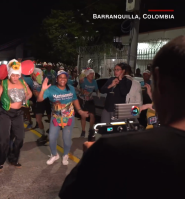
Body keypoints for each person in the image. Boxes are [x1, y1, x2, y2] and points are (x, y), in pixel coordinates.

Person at [59, 35, 185, 199]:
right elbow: (103, 91)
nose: (115, 72)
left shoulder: (115, 149)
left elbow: (72, 193)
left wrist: (92, 159)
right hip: (109, 110)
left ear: (158, 80)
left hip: (122, 114)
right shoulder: (113, 146)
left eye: (118, 69)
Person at [37, 70, 88, 165]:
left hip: (69, 117)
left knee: (67, 139)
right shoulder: (51, 89)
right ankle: (54, 155)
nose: (62, 79)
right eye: (60, 77)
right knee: (52, 137)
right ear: (57, 79)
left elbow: (75, 99)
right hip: (55, 117)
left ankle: (65, 155)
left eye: (64, 78)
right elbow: (39, 99)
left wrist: (80, 111)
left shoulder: (71, 88)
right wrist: (43, 89)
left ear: (67, 79)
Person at [0, 59, 32, 171]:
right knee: (4, 139)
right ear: (9, 74)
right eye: (13, 75)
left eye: (17, 75)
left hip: (18, 113)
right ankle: (1, 160)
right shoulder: (4, 83)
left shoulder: (23, 82)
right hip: (5, 112)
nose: (15, 78)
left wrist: (25, 98)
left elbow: (29, 93)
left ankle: (13, 158)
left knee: (20, 138)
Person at [77, 68, 99, 141]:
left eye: (93, 74)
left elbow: (96, 89)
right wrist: (84, 92)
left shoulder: (94, 81)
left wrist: (98, 93)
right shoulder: (84, 80)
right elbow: (80, 87)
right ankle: (83, 131)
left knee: (92, 115)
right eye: (90, 74)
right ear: (87, 75)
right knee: (84, 116)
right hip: (83, 100)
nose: (92, 75)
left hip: (90, 99)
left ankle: (91, 129)